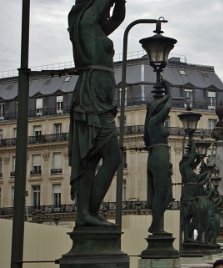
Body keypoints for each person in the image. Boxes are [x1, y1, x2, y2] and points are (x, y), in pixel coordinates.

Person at [67, 0, 125, 227]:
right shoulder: (84, 26)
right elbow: (98, 10)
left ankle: (89, 212)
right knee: (101, 159)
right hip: (90, 100)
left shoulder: (97, 31)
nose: (106, 13)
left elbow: (118, 18)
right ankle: (86, 212)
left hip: (100, 102)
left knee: (95, 159)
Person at [144, 82, 172, 234]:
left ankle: (155, 224)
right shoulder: (154, 121)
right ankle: (156, 225)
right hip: (159, 155)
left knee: (165, 195)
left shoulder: (154, 122)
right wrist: (169, 92)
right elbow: (168, 107)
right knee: (161, 193)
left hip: (160, 155)